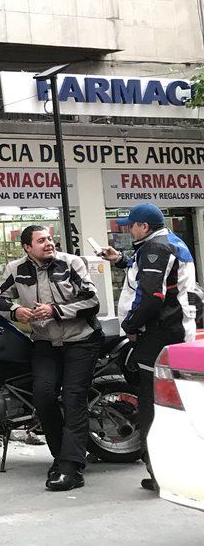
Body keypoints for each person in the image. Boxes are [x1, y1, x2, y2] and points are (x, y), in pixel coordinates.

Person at [0, 225, 101, 491]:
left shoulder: (71, 263)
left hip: (80, 341)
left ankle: (71, 468)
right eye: (41, 241)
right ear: (27, 248)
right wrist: (17, 312)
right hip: (45, 343)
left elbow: (92, 301)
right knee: (42, 395)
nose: (48, 243)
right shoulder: (16, 269)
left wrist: (56, 310)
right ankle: (61, 457)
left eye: (50, 239)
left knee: (74, 397)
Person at [99, 203, 189, 493]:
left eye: (132, 224)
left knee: (155, 403)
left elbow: (152, 296)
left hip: (158, 335)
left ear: (144, 227)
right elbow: (152, 274)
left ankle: (162, 473)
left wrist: (131, 326)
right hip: (169, 332)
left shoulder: (156, 249)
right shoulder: (163, 243)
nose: (128, 228)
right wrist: (122, 260)